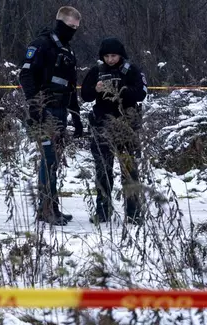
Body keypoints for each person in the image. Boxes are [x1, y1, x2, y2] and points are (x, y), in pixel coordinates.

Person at [19, 6, 84, 226]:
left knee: (54, 161)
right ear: (60, 23)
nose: (73, 31)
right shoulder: (42, 44)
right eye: (70, 27)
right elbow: (26, 74)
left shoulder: (67, 50)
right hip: (44, 110)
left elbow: (70, 86)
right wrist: (34, 105)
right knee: (48, 160)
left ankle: (52, 206)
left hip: (61, 110)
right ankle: (45, 209)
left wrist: (76, 117)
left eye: (76, 28)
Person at [80, 37, 148, 225]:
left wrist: (120, 90)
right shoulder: (97, 71)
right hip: (102, 126)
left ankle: (133, 212)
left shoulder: (131, 70)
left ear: (121, 55)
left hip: (126, 125)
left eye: (114, 56)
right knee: (103, 170)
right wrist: (96, 89)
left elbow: (142, 92)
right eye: (107, 56)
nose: (110, 59)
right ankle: (103, 211)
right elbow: (84, 95)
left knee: (129, 170)